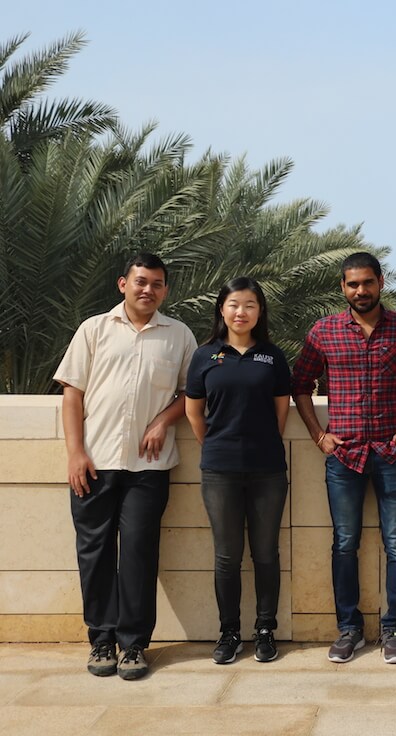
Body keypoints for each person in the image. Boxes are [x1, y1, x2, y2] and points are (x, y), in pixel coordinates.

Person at [54, 253, 198, 681]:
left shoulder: (179, 335)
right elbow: (72, 395)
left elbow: (191, 394)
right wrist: (75, 453)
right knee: (94, 553)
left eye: (156, 283)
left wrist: (163, 421)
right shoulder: (94, 329)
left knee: (138, 553)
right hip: (94, 463)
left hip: (148, 468)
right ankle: (101, 638)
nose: (147, 289)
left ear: (165, 290)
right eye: (140, 281)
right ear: (123, 284)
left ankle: (134, 644)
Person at [292, 252, 396, 664]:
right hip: (344, 456)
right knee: (345, 543)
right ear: (343, 287)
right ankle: (349, 628)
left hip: (392, 453)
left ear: (381, 282)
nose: (361, 290)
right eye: (353, 284)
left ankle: (393, 628)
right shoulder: (324, 331)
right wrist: (318, 435)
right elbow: (300, 384)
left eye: (367, 282)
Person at [184, 277, 291, 665]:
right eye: (233, 304)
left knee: (265, 553)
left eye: (249, 305)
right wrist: (217, 445)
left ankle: (265, 629)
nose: (240, 312)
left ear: (260, 311)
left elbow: (281, 412)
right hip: (220, 470)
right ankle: (229, 631)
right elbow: (194, 412)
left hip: (267, 470)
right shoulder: (205, 355)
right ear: (221, 310)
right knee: (227, 556)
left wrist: (260, 444)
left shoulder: (272, 357)